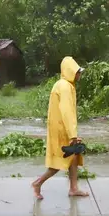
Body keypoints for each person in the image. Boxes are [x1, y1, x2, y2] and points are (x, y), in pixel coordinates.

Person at [32, 56, 89, 200]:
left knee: (74, 156)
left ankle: (74, 188)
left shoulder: (63, 84)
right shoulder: (64, 87)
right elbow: (67, 111)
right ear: (71, 71)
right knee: (59, 162)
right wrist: (72, 135)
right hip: (61, 130)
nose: (79, 74)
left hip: (60, 128)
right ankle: (38, 183)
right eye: (77, 71)